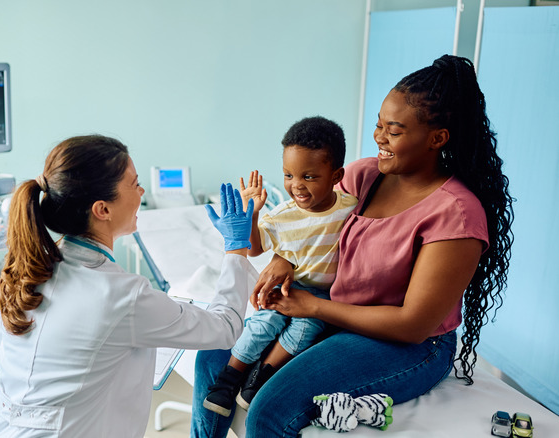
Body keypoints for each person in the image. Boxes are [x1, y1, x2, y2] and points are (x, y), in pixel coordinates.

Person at [191, 54, 514, 437]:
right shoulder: (366, 175)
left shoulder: (456, 215)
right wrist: (283, 259)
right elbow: (315, 223)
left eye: (393, 131)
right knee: (213, 355)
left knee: (269, 411)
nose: (379, 138)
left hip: (407, 344)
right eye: (379, 125)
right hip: (332, 313)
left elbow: (413, 325)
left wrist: (313, 306)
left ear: (437, 139)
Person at [0, 135, 259, 437]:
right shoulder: (121, 294)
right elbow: (226, 327)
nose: (142, 192)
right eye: (134, 184)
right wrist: (235, 248)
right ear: (102, 209)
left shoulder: (24, 269)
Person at [202, 116, 358, 417]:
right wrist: (253, 216)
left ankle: (261, 376)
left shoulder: (350, 208)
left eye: (309, 177)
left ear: (336, 175)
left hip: (322, 296)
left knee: (305, 330)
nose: (296, 186)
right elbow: (256, 246)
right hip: (290, 284)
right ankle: (229, 377)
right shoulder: (284, 214)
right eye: (288, 175)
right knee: (264, 323)